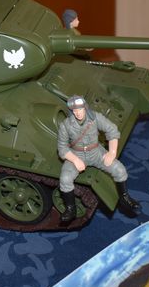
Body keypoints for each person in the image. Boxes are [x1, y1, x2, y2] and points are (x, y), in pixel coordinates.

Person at [57, 95, 140, 223]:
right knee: (65, 178)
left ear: (85, 108)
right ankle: (70, 208)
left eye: (80, 109)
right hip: (77, 154)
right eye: (75, 110)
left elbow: (112, 130)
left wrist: (112, 153)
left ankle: (124, 197)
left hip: (96, 152)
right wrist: (75, 160)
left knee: (119, 170)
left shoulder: (95, 118)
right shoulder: (66, 125)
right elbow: (62, 148)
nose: (78, 113)